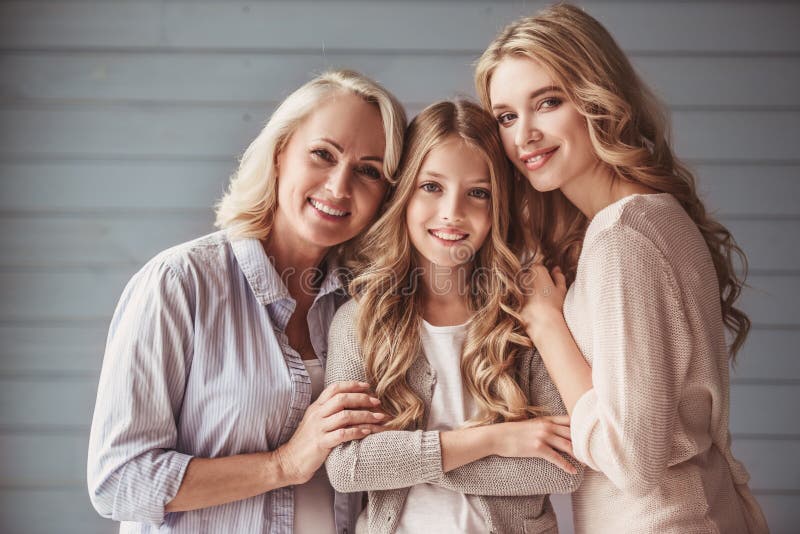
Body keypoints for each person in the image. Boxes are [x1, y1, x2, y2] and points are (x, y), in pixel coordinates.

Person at [475, 4, 769, 533]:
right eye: (506, 116)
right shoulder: (646, 218)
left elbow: (632, 456)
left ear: (596, 98)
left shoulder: (623, 236)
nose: (525, 136)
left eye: (547, 102)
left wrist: (546, 324)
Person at [87, 69, 407, 533]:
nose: (340, 187)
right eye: (323, 154)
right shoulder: (180, 284)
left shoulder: (367, 305)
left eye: (369, 171)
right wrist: (284, 463)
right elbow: (119, 481)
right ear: (280, 154)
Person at [324, 99, 583, 534]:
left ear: (497, 206)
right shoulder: (360, 321)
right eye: (432, 187)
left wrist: (405, 460)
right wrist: (495, 440)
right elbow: (349, 468)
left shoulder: (523, 316)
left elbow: (559, 466)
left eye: (477, 193)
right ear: (404, 193)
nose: (452, 212)